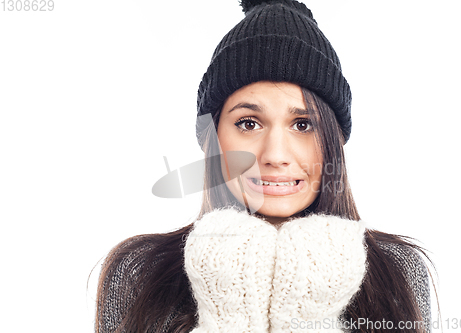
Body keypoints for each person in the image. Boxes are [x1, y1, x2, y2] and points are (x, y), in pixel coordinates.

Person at [95, 1, 433, 332]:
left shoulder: (397, 270)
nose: (275, 155)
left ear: (334, 142)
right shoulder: (139, 270)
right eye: (248, 123)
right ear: (213, 139)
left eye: (303, 125)